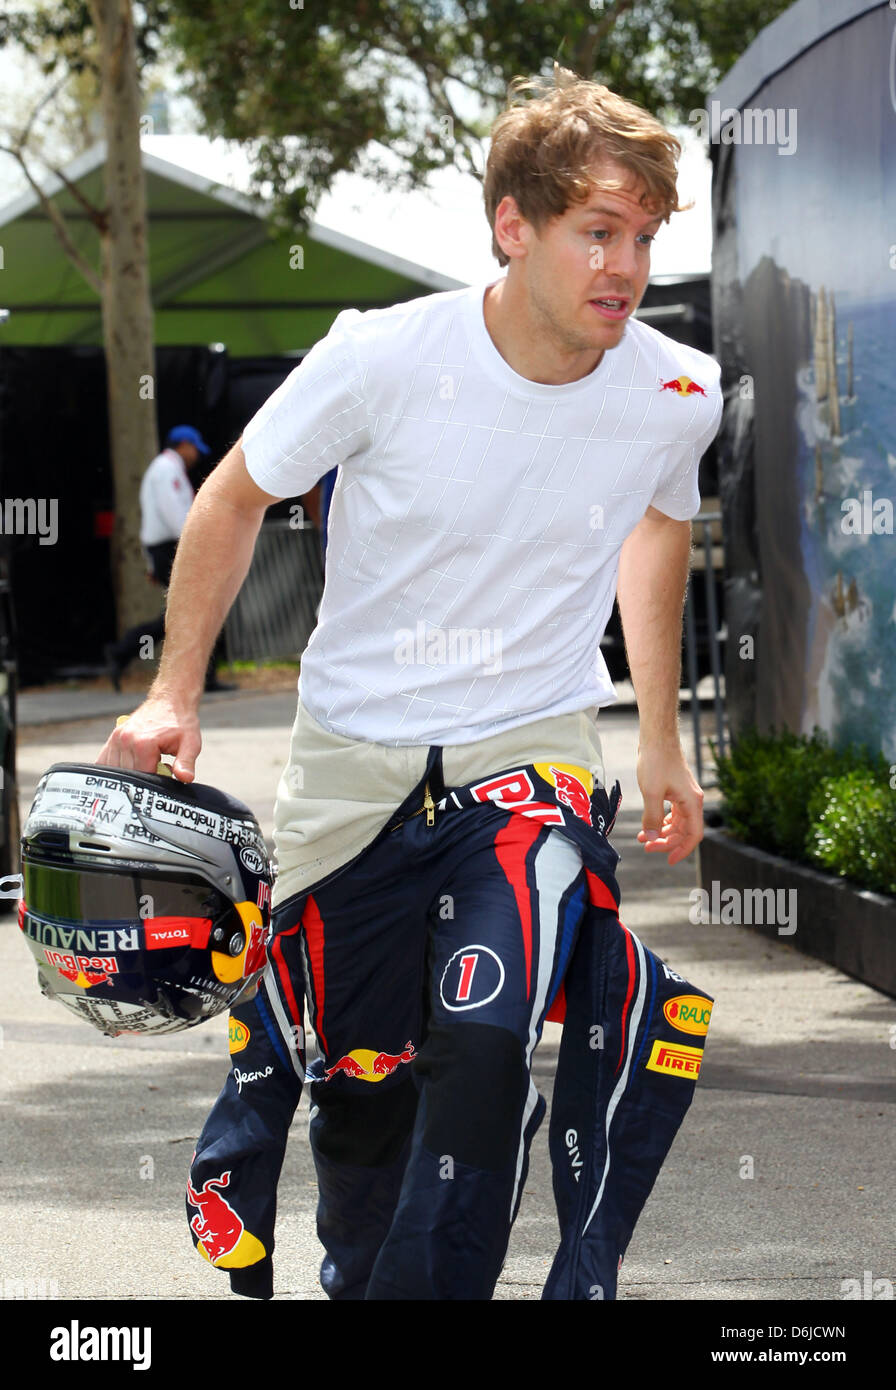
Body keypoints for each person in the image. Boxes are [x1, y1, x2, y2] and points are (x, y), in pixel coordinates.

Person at [96, 64, 723, 1300]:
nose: (625, 266)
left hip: (527, 757)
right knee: (367, 1079)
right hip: (352, 764)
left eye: (642, 237)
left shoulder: (676, 390)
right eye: (596, 230)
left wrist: (655, 737)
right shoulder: (378, 357)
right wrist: (173, 692)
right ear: (514, 226)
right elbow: (232, 495)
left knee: (484, 1050)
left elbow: (655, 527)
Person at [104, 424, 235, 693]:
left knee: (182, 612)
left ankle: (125, 652)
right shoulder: (167, 471)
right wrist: (195, 546)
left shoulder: (164, 470)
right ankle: (200, 676)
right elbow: (174, 514)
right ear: (184, 444)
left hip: (164, 548)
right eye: (195, 449)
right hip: (172, 547)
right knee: (199, 607)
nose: (196, 455)